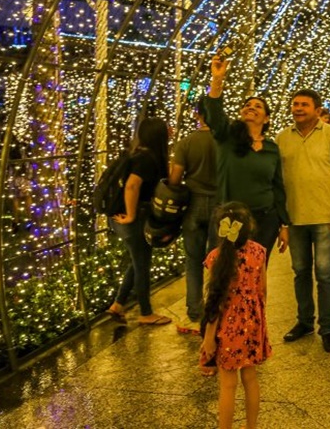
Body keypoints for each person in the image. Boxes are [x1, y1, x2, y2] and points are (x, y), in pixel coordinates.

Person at [276, 88, 330, 353]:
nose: (297, 109)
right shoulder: (282, 138)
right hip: (294, 217)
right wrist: (281, 221)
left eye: (304, 105)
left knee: (325, 274)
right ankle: (304, 321)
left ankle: (328, 328)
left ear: (317, 109)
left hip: (326, 217)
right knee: (300, 272)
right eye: (295, 104)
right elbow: (277, 180)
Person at [206, 56, 290, 263]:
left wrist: (284, 225)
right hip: (231, 219)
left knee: (257, 271)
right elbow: (214, 116)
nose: (251, 107)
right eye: (248, 105)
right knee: (226, 272)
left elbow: (278, 187)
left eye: (258, 106)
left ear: (267, 118)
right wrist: (217, 80)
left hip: (265, 220)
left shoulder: (271, 148)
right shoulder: (227, 137)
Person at [199, 203, 270, 429]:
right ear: (248, 227)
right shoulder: (259, 252)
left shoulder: (214, 258)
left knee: (228, 386)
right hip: (253, 324)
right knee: (250, 379)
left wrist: (209, 339)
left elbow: (213, 303)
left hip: (227, 329)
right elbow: (263, 291)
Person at [106, 117, 171, 326]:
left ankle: (118, 305)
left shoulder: (137, 153)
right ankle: (146, 312)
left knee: (137, 262)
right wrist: (132, 215)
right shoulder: (147, 158)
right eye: (166, 127)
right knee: (142, 265)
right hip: (133, 219)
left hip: (119, 217)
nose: (171, 129)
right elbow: (132, 186)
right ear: (158, 134)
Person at [168, 96, 218, 332]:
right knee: (217, 261)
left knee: (193, 260)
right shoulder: (225, 142)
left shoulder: (186, 143)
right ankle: (215, 310)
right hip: (221, 205)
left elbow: (175, 179)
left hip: (193, 204)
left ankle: (194, 311)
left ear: (197, 115)